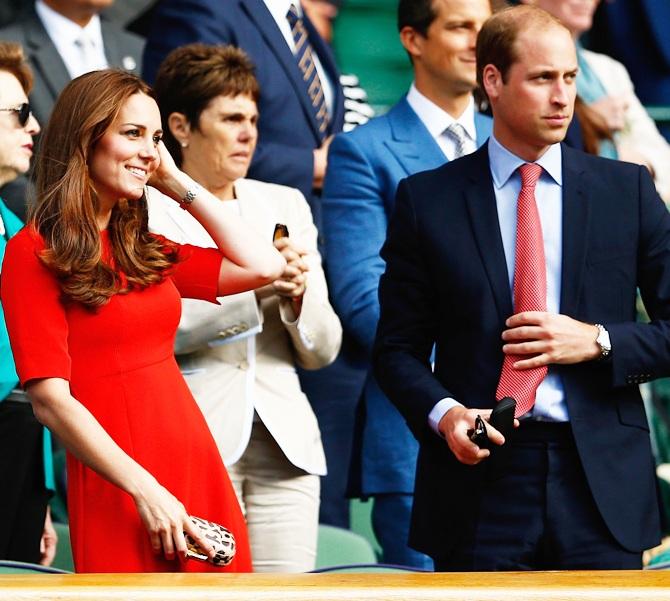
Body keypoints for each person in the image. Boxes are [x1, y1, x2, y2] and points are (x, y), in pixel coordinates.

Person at [373, 5, 667, 571]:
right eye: (541, 79)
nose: (563, 97)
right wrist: (446, 414)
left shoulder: (626, 190)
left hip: (602, 483)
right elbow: (396, 350)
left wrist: (599, 342)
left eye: (570, 79)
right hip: (478, 481)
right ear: (493, 81)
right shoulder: (428, 200)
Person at [0, 68, 286, 573]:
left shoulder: (142, 245)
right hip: (124, 480)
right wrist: (145, 489)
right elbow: (49, 400)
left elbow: (263, 265)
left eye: (155, 137)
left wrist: (174, 180)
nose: (149, 150)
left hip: (193, 460)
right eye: (132, 134)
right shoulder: (33, 251)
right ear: (85, 138)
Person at [148, 43, 342, 573]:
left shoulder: (285, 202)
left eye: (253, 118)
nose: (248, 133)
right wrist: (253, 290)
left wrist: (299, 299)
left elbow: (324, 351)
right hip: (195, 436)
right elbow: (153, 334)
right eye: (231, 118)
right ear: (181, 128)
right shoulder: (145, 210)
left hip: (288, 445)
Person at [321, 0, 492, 569]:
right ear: (413, 39)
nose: (476, 41)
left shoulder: (519, 141)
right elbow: (364, 297)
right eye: (460, 26)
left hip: (532, 427)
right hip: (421, 429)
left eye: (484, 28)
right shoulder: (364, 151)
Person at [0, 0, 144, 221]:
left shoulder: (137, 48)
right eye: (22, 114)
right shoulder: (7, 49)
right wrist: (78, 220)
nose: (33, 126)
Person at [519, 0, 670, 203]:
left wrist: (625, 160)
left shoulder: (608, 70)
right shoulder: (515, 71)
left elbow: (663, 159)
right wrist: (584, 122)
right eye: (546, 77)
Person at [0, 40, 57, 566]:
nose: (34, 127)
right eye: (19, 115)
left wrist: (38, 491)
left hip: (18, 468)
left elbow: (29, 377)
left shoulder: (19, 233)